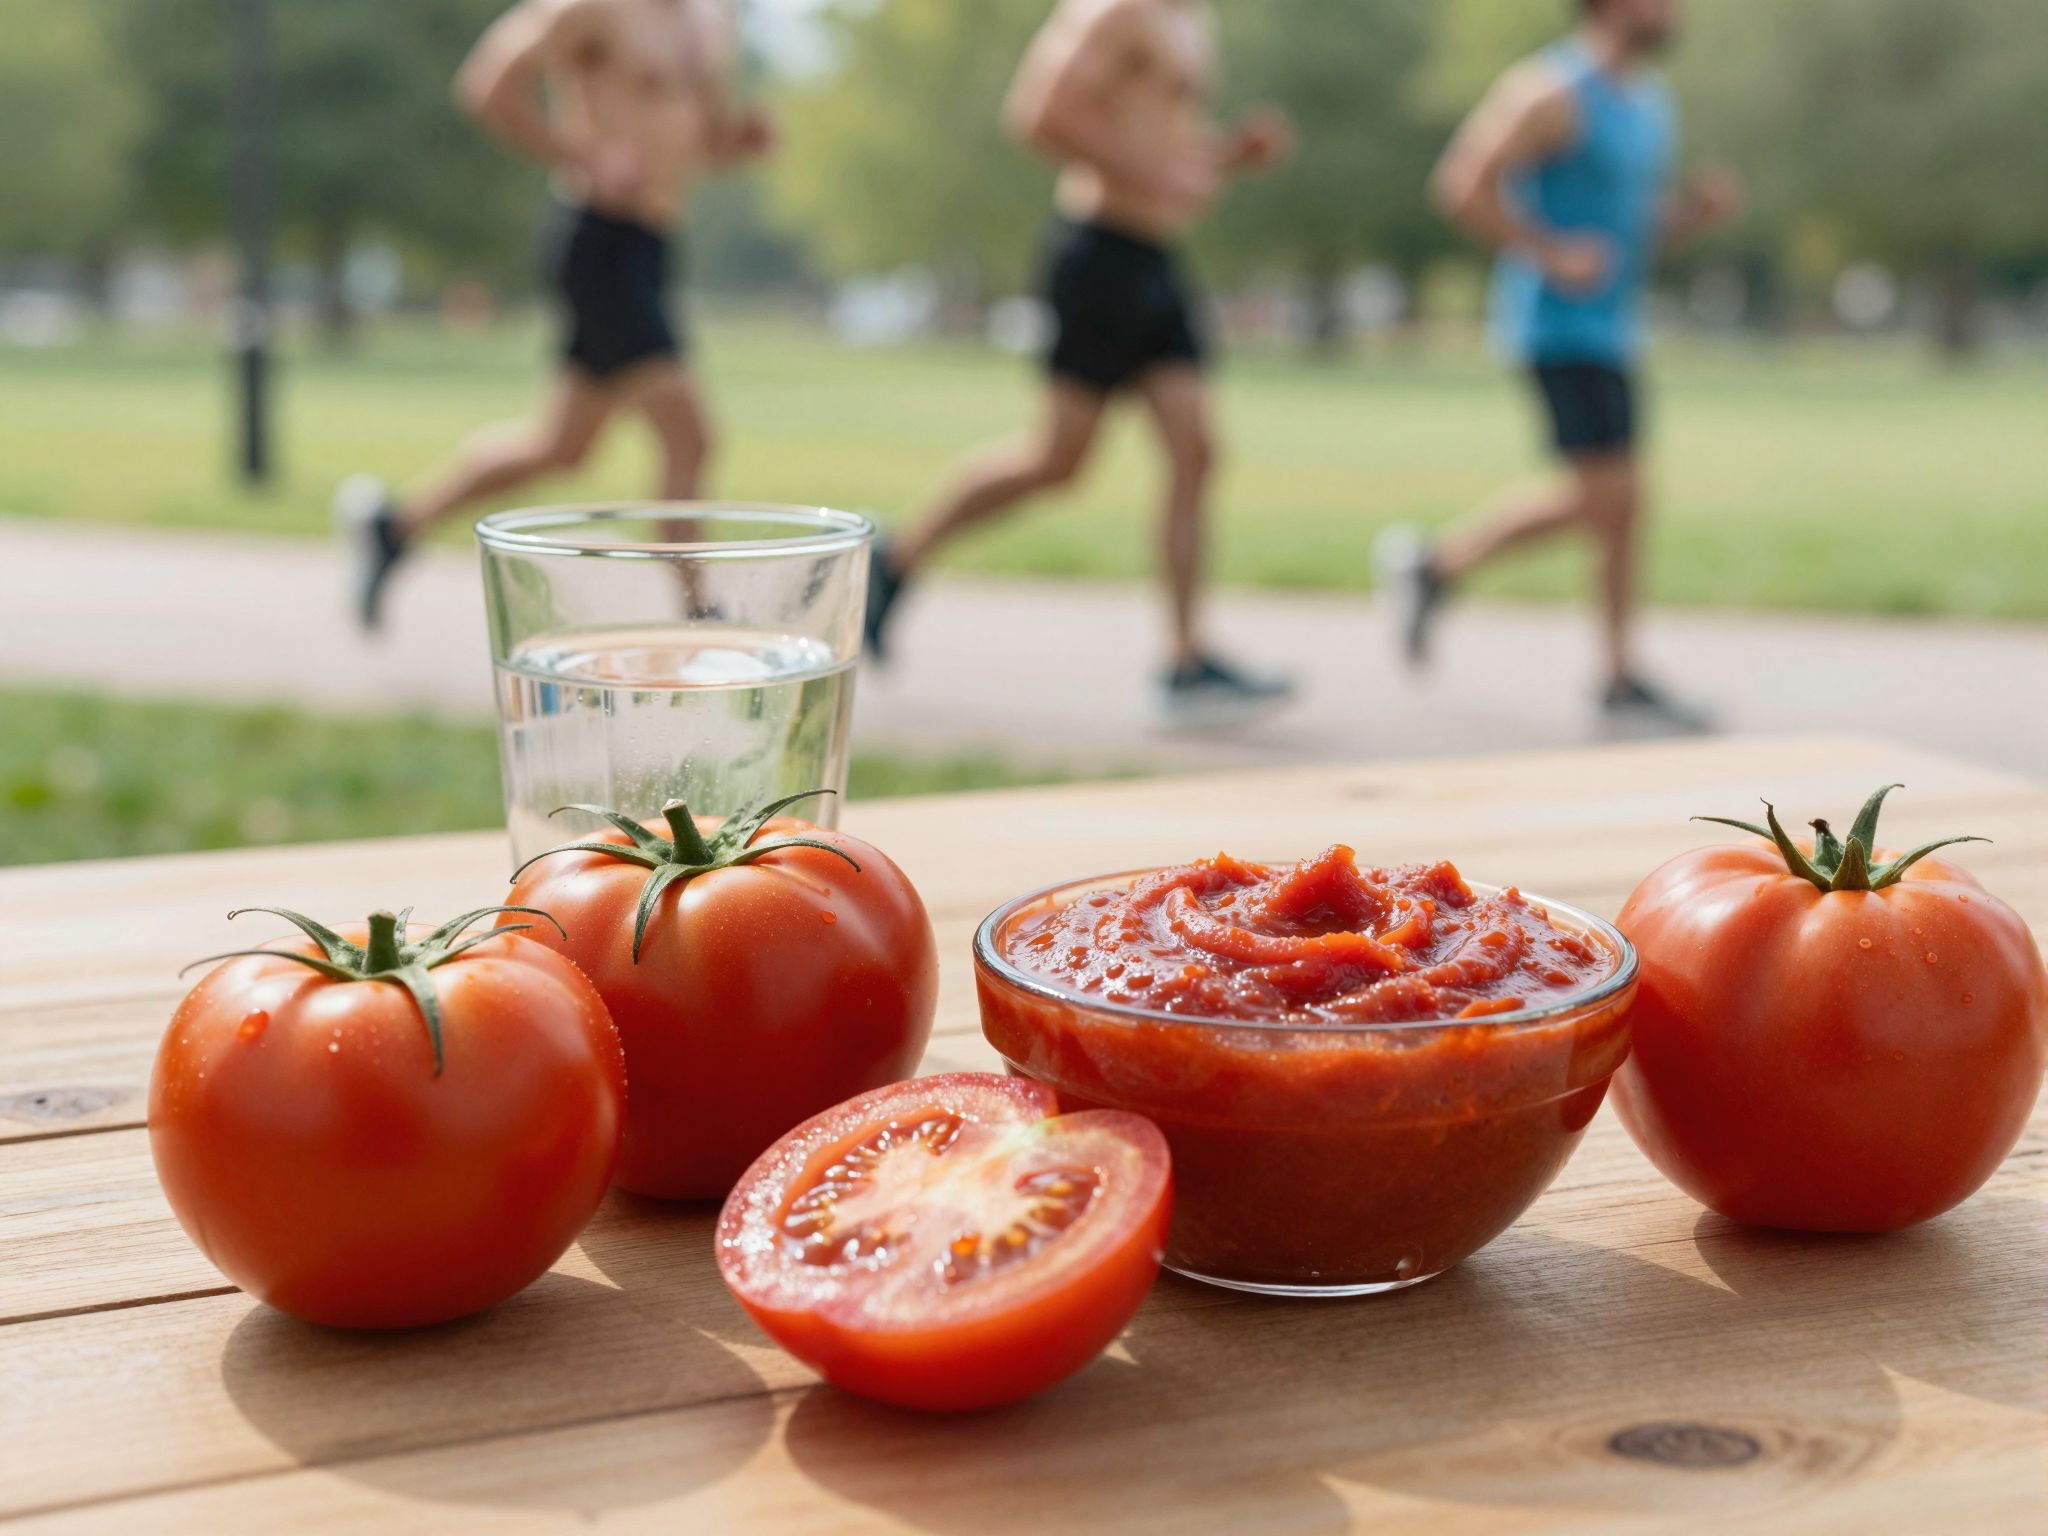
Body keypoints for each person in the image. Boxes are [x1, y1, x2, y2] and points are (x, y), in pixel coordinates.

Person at [862, 0, 1297, 723]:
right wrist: (1156, 175)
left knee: (1196, 451)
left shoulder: (1194, 19)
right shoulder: (1115, 11)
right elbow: (1037, 112)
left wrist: (1224, 157)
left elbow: (1154, 148)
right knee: (1057, 461)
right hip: (1097, 255)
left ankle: (1187, 666)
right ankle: (896, 557)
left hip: (1156, 260)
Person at [337, 0, 772, 629]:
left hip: (650, 246)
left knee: (559, 448)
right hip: (599, 244)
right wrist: (582, 154)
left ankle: (395, 527)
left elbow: (691, 140)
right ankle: (698, 615)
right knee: (691, 434)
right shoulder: (595, 10)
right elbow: (486, 85)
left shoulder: (707, 22)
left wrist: (737, 144)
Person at [1382, 0, 1741, 731]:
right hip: (1554, 328)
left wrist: (1687, 216)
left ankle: (1616, 676)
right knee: (1610, 496)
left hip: (1612, 332)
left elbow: (1625, 230)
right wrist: (1549, 253)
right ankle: (1435, 565)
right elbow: (1460, 184)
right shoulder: (1547, 90)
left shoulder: (1646, 100)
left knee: (1622, 503)